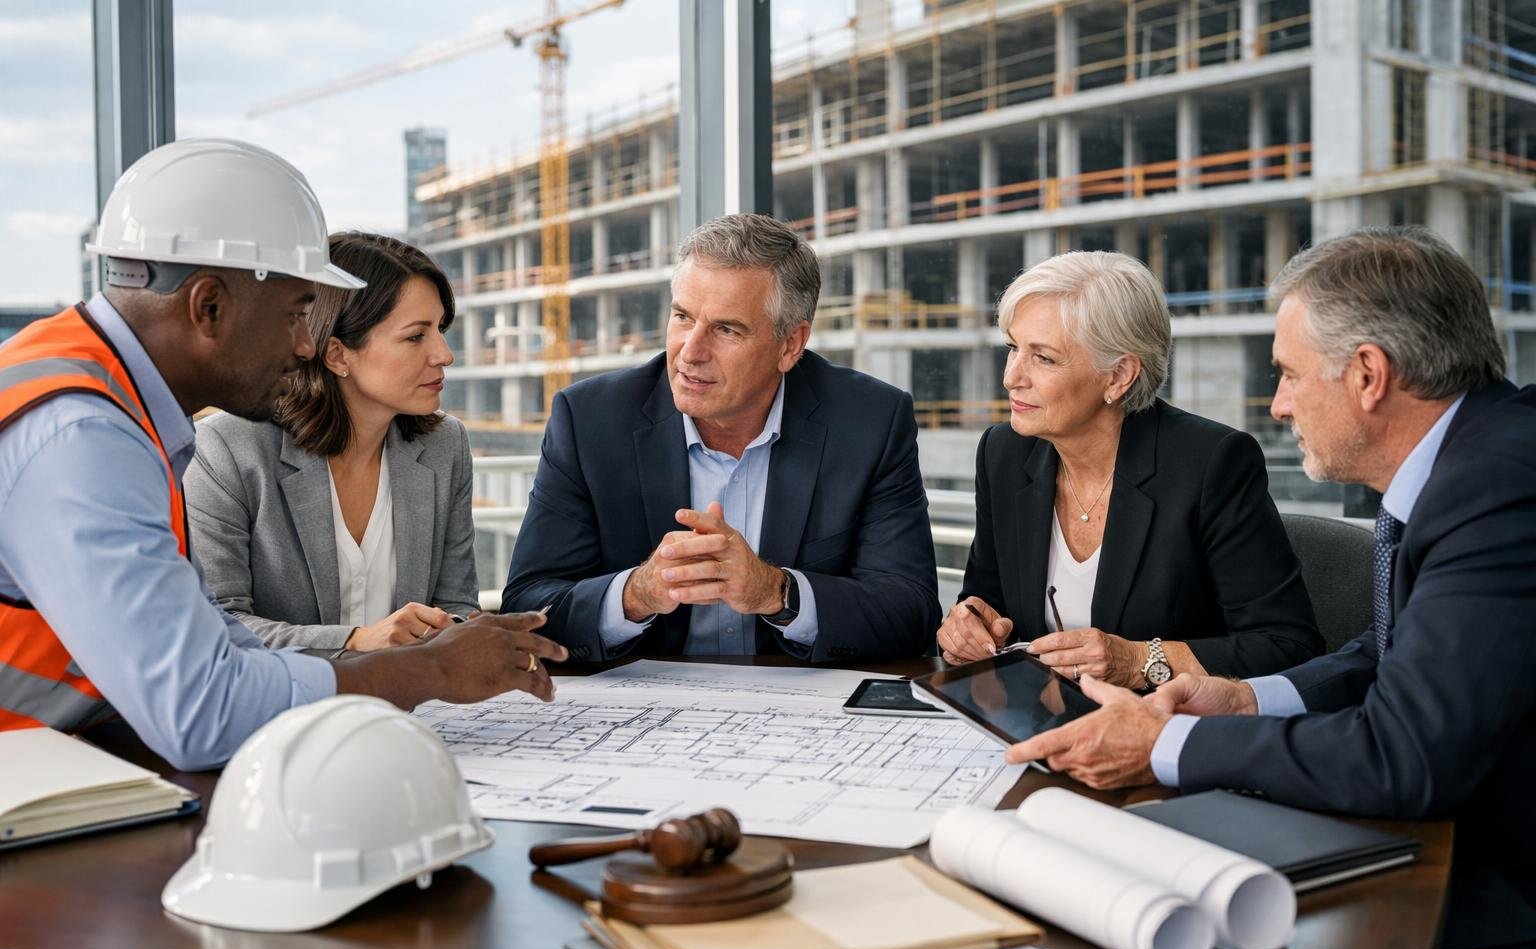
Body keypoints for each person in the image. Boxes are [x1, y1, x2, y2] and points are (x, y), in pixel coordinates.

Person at [1004, 226, 1536, 949]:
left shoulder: (1498, 488)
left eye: (1287, 374)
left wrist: (1164, 742)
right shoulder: (1476, 460)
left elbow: (1405, 756)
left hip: (1507, 903)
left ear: (1367, 375)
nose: (1279, 402)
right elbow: (1390, 650)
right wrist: (1249, 700)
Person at [0, 139, 565, 774]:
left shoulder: (99, 398)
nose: (305, 345)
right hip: (30, 793)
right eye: (298, 312)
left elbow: (214, 648)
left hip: (56, 770)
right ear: (209, 307)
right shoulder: (84, 438)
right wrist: (426, 668)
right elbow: (202, 712)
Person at [501, 212, 939, 662]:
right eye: (682, 317)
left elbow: (910, 612)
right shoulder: (590, 420)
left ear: (790, 345)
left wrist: (776, 591)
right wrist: (636, 594)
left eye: (726, 329)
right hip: (643, 710)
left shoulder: (870, 422)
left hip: (799, 712)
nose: (691, 352)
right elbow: (527, 607)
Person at [937, 251, 1321, 688]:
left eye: (1043, 358)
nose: (1011, 377)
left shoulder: (1211, 462)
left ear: (1118, 376)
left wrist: (1141, 660)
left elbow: (1288, 646)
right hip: (1040, 721)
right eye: (1013, 348)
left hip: (1165, 733)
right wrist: (968, 626)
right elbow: (986, 599)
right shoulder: (1003, 452)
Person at [185, 231, 480, 652]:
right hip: (283, 711)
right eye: (416, 336)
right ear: (338, 354)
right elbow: (216, 625)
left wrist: (455, 630)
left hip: (411, 711)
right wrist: (356, 642)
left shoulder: (444, 445)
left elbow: (457, 605)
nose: (444, 354)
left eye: (440, 330)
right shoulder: (227, 450)